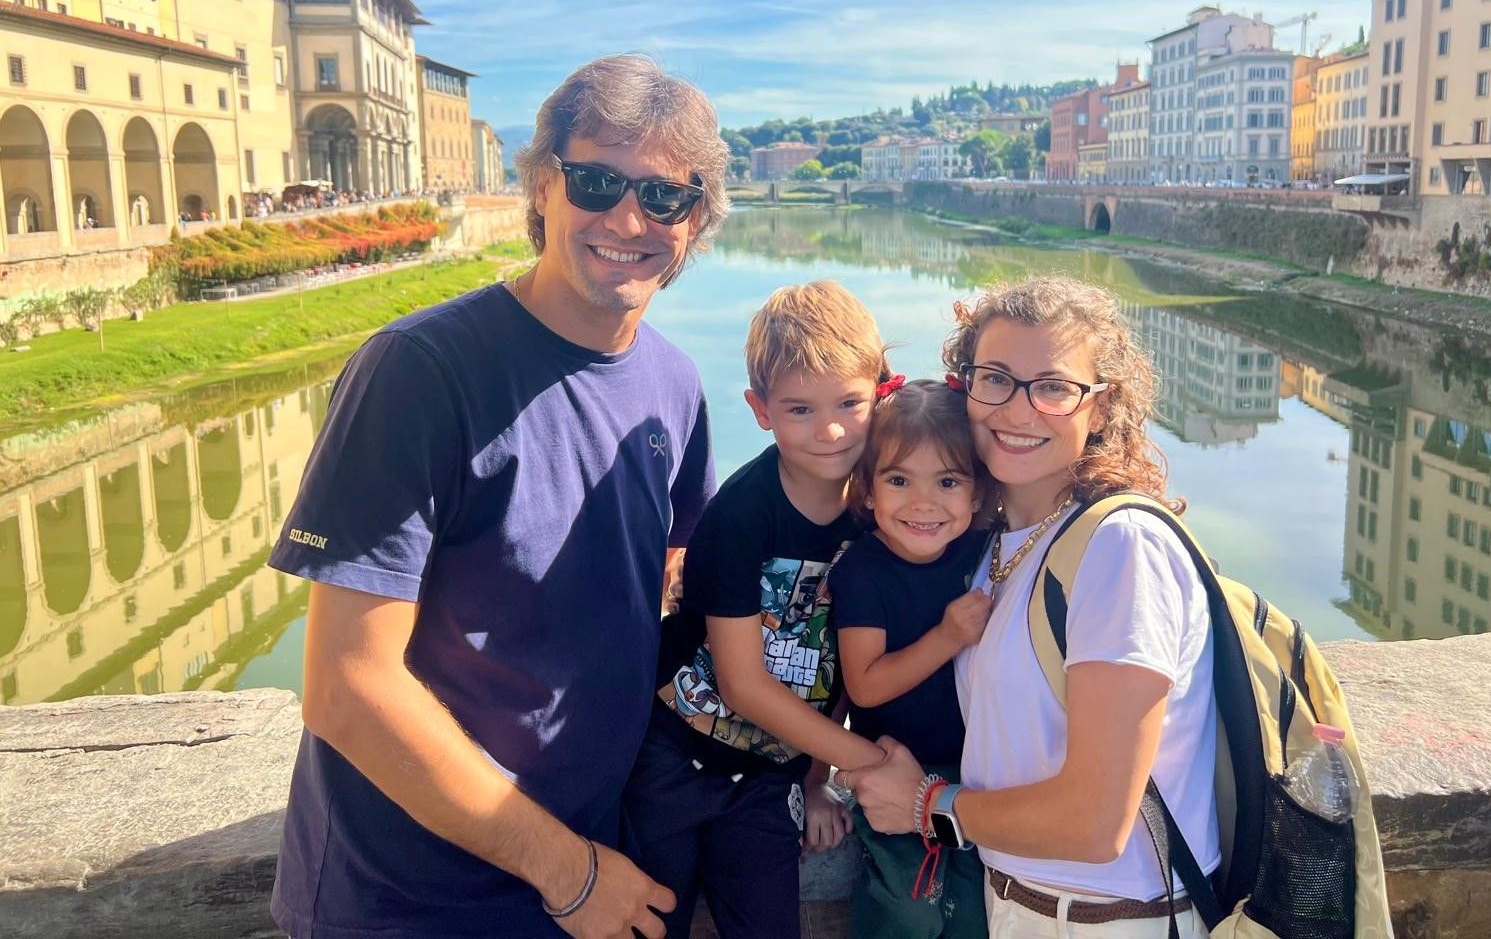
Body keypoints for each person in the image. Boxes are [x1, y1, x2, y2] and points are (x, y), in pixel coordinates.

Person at [265, 54, 730, 939]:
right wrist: (571, 874)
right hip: (410, 902)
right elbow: (347, 687)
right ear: (542, 187)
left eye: (665, 197)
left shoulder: (673, 383)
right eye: (596, 181)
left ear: (696, 219)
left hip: (582, 870)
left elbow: (670, 562)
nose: (629, 217)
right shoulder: (420, 371)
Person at [847, 277, 1218, 938]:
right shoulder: (997, 546)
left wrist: (927, 805)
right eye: (997, 379)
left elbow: (1096, 822)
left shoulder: (1119, 546)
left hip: (1110, 920)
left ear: (1100, 408)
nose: (1019, 412)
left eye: (1053, 388)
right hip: (1017, 904)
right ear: (966, 390)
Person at [623, 280, 895, 939]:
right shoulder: (742, 516)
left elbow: (836, 662)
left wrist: (819, 776)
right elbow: (743, 683)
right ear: (759, 409)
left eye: (850, 404)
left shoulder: (880, 512)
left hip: (771, 780)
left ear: (883, 394)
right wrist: (873, 766)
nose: (829, 430)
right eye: (799, 408)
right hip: (677, 756)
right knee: (652, 922)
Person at [828, 378, 992, 938]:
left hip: (978, 773)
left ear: (977, 494)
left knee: (973, 913)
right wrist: (947, 636)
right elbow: (866, 686)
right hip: (893, 768)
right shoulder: (863, 572)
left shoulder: (983, 547)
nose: (923, 503)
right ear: (868, 490)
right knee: (907, 905)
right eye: (899, 479)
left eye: (947, 481)